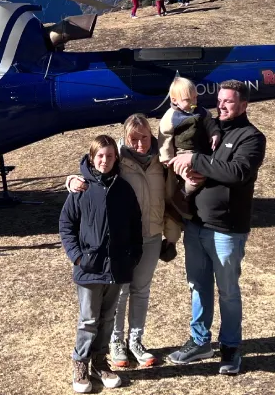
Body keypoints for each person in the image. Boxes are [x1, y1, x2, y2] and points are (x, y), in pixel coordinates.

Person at [166, 79, 266, 376]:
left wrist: (196, 160)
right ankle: (200, 342)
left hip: (226, 230)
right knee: (198, 286)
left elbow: (238, 172)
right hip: (195, 224)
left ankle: (231, 347)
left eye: (228, 101)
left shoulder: (252, 137)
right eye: (219, 100)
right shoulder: (209, 128)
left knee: (228, 291)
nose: (221, 106)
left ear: (244, 104)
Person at [66, 115, 175, 369]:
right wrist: (70, 180)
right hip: (121, 240)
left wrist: (171, 234)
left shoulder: (163, 160)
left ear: (152, 135)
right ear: (125, 139)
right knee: (120, 292)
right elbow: (93, 171)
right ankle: (116, 342)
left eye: (144, 137)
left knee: (141, 291)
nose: (140, 144)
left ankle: (136, 340)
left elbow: (172, 197)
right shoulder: (118, 160)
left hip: (151, 236)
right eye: (133, 139)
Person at [60, 135, 143, 392]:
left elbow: (135, 225)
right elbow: (66, 225)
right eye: (100, 156)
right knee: (88, 319)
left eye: (109, 156)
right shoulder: (81, 189)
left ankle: (99, 361)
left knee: (108, 318)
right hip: (89, 267)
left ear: (116, 158)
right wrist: (78, 257)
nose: (104, 161)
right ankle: (80, 362)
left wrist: (133, 256)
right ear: (91, 157)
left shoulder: (124, 189)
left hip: (117, 267)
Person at [158, 77, 221, 258]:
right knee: (194, 177)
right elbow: (164, 138)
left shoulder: (201, 111)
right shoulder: (171, 117)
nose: (193, 102)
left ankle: (188, 199)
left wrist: (215, 133)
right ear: (175, 100)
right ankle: (182, 198)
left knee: (205, 175)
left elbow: (210, 122)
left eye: (195, 98)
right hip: (181, 155)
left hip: (201, 153)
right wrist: (167, 159)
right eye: (188, 100)